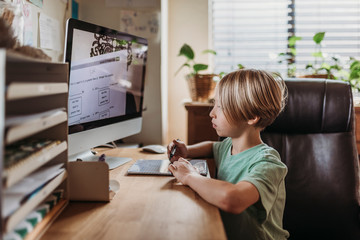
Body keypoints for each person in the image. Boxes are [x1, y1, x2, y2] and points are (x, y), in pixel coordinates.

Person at [167, 69, 290, 240]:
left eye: (221, 106)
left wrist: (189, 176)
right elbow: (212, 147)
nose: (212, 113)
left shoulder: (267, 163)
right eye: (214, 104)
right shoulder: (229, 146)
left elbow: (233, 199)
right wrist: (187, 150)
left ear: (251, 116)